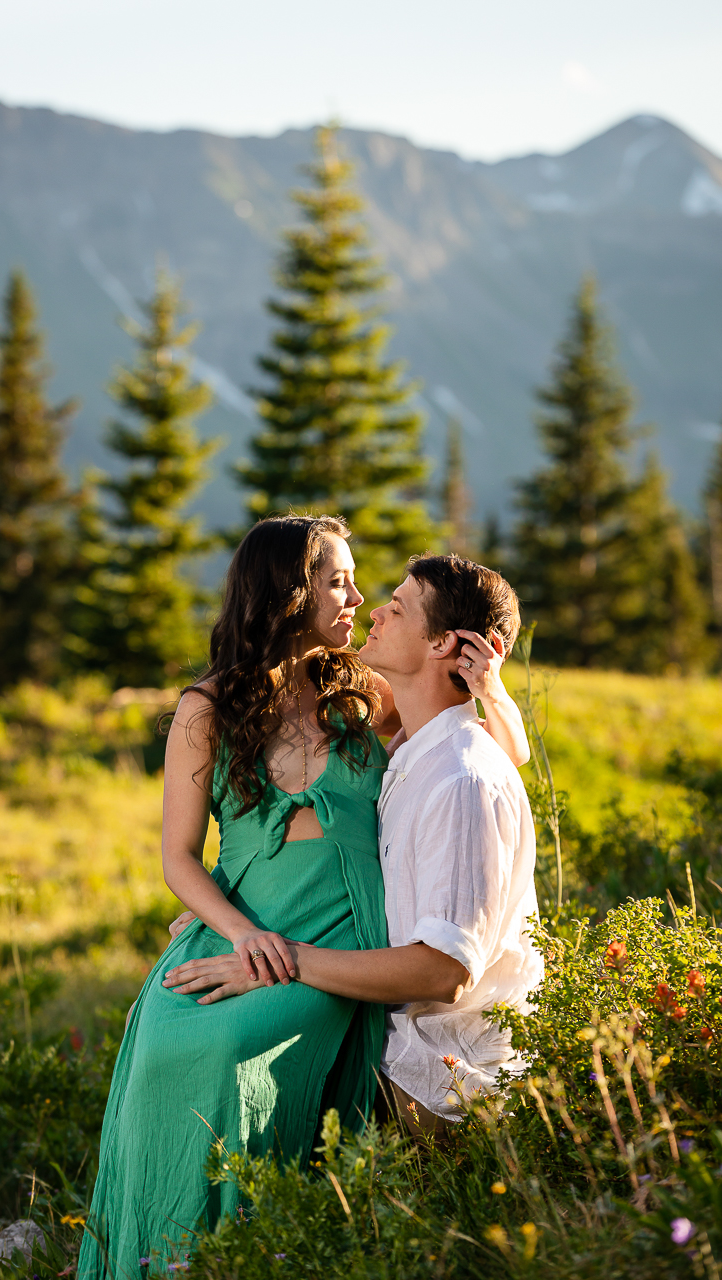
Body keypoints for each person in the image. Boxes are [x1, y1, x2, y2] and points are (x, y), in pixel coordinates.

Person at [79, 520, 528, 1276]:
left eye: (357, 584)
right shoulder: (206, 709)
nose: (355, 598)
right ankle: (155, 1256)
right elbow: (179, 858)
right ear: (286, 593)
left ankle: (244, 1251)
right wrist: (234, 932)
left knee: (230, 1052)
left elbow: (481, 756)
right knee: (162, 1041)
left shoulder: (366, 694)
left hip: (340, 929)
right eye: (336, 582)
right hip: (240, 923)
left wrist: (492, 688)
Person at [165, 553, 544, 1137]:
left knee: (242, 1063)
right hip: (323, 957)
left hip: (430, 1052)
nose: (369, 608)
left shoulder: (451, 769)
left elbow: (446, 972)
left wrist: (281, 962)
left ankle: (247, 1222)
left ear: (446, 644)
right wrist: (228, 909)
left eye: (394, 607)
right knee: (185, 1044)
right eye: (341, 583)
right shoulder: (409, 756)